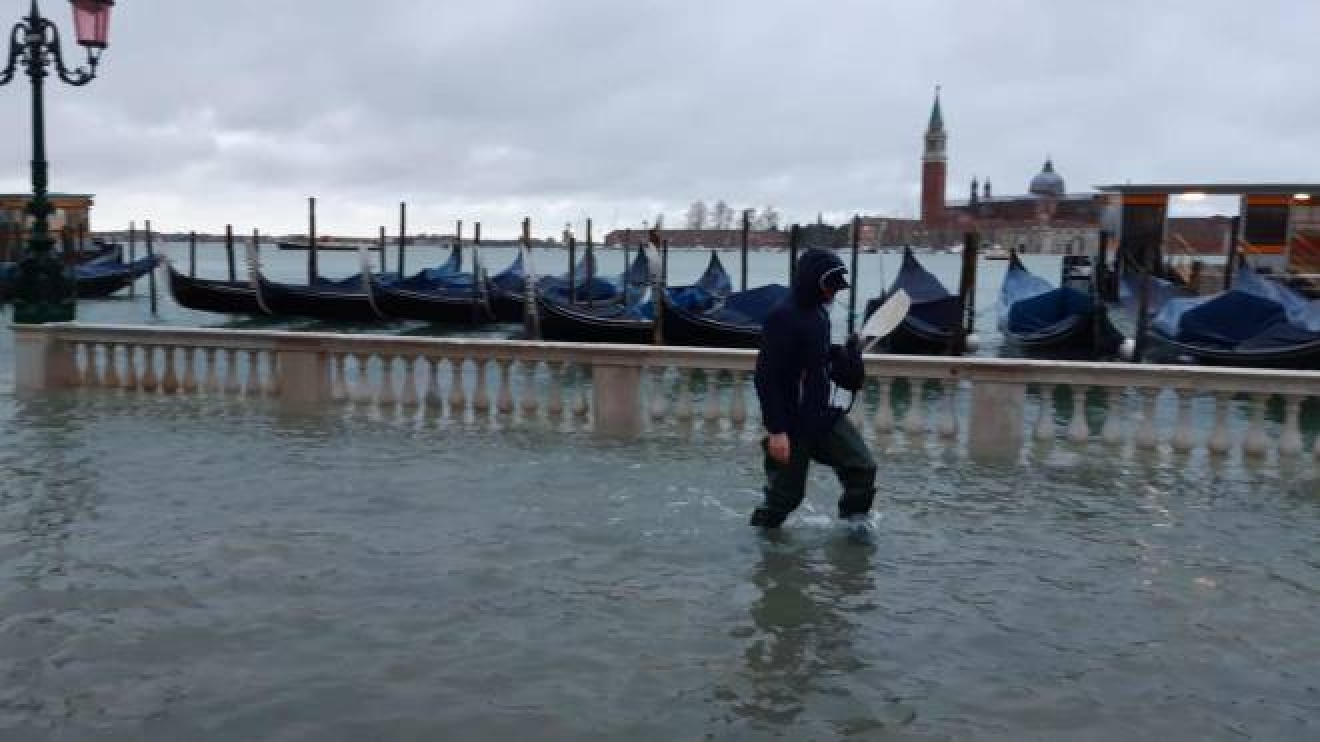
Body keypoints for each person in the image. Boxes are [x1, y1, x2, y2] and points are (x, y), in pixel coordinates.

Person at [750, 248, 876, 531]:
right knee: (786, 498)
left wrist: (841, 353)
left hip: (820, 414)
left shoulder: (818, 312)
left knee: (862, 468)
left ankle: (854, 529)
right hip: (791, 424)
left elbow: (811, 356)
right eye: (829, 286)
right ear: (811, 281)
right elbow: (765, 377)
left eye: (836, 287)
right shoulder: (782, 316)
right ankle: (760, 545)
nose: (833, 294)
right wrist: (777, 432)